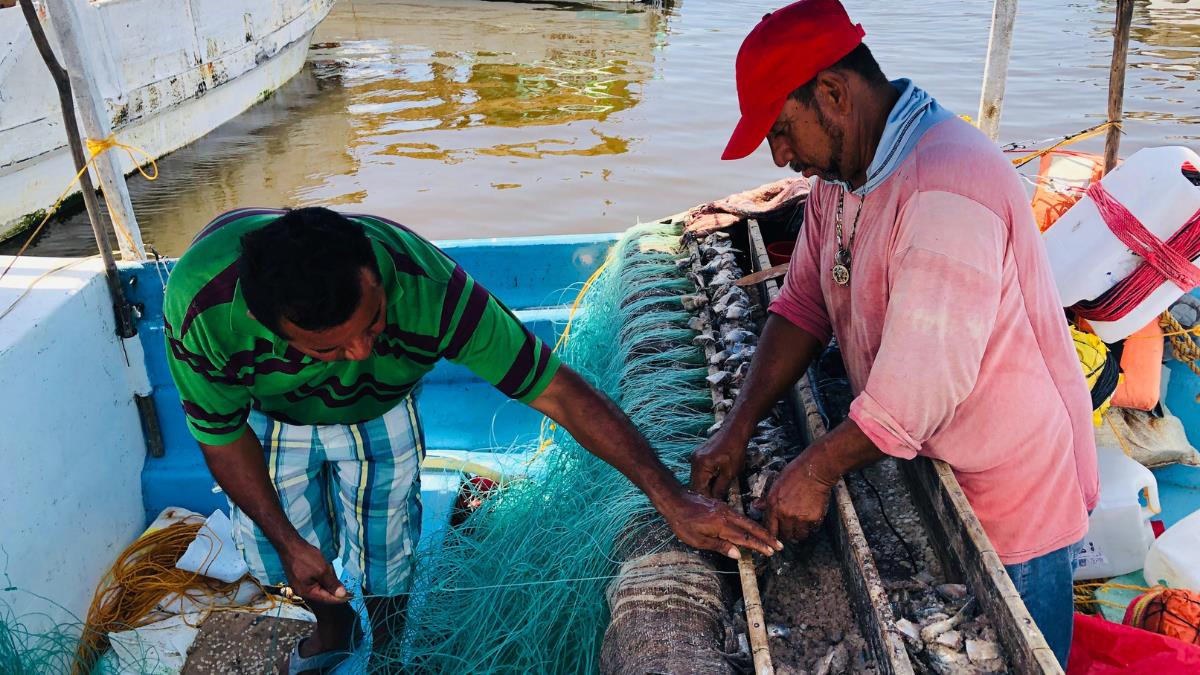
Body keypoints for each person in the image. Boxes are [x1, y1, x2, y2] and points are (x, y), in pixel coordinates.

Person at [163, 207, 781, 673]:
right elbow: (220, 435)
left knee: (388, 545)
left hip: (381, 409)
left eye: (373, 322)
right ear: (268, 326)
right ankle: (333, 630)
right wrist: (290, 541)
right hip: (269, 419)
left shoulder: (428, 285)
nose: (357, 353)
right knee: (286, 557)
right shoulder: (203, 307)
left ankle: (388, 648)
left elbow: (557, 391)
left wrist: (671, 498)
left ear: (375, 277)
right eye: (327, 348)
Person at [688, 0, 1098, 666]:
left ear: (832, 94)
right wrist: (736, 428)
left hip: (1010, 507)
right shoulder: (845, 175)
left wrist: (812, 470)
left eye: (782, 129)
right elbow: (801, 306)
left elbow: (913, 396)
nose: (781, 155)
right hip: (930, 457)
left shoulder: (946, 188)